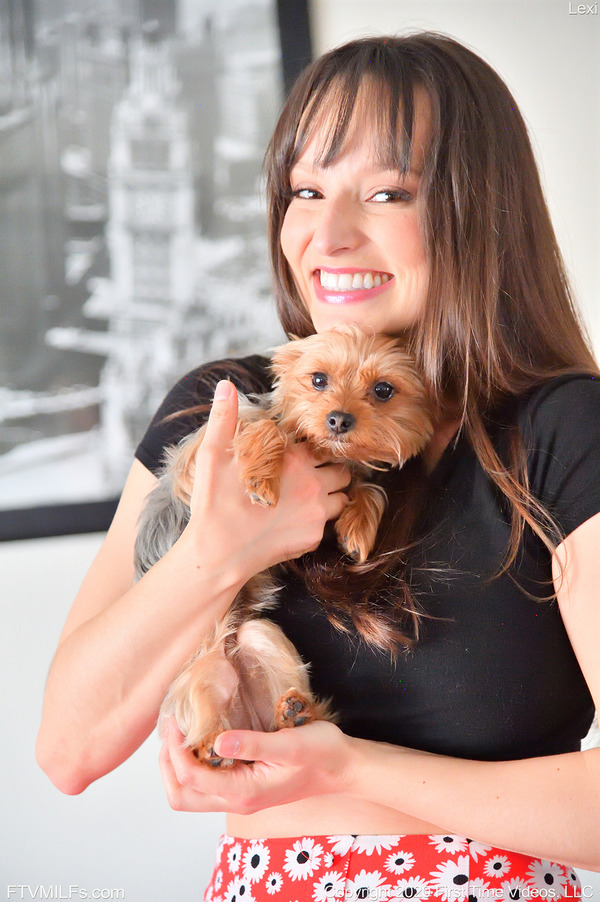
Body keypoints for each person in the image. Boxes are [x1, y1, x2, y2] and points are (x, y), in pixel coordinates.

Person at [36, 32, 600, 897]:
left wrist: (347, 767)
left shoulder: (562, 429)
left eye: (387, 192)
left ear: (480, 212)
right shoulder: (220, 410)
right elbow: (69, 749)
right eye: (305, 190)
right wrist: (218, 551)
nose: (328, 236)